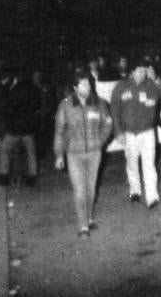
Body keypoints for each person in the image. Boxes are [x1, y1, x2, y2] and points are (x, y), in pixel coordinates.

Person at [53, 71, 112, 238]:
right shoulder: (65, 105)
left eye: (89, 83)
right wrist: (59, 155)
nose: (88, 87)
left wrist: (99, 142)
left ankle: (89, 216)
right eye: (84, 84)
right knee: (79, 189)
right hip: (74, 154)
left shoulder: (100, 103)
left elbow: (108, 124)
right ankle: (83, 226)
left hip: (94, 153)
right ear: (75, 87)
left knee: (91, 188)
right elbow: (59, 131)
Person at [110, 60, 161, 208]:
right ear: (132, 72)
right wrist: (118, 131)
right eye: (139, 71)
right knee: (132, 163)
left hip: (147, 132)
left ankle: (152, 197)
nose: (143, 73)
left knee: (149, 164)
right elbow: (115, 110)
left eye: (144, 71)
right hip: (130, 133)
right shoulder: (121, 86)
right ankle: (135, 191)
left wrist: (156, 78)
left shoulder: (151, 85)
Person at [0, 68, 41, 186]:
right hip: (28, 127)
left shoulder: (13, 91)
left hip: (14, 127)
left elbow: (8, 108)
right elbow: (37, 105)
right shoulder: (33, 89)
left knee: (4, 150)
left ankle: (4, 175)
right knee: (31, 152)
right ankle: (33, 176)